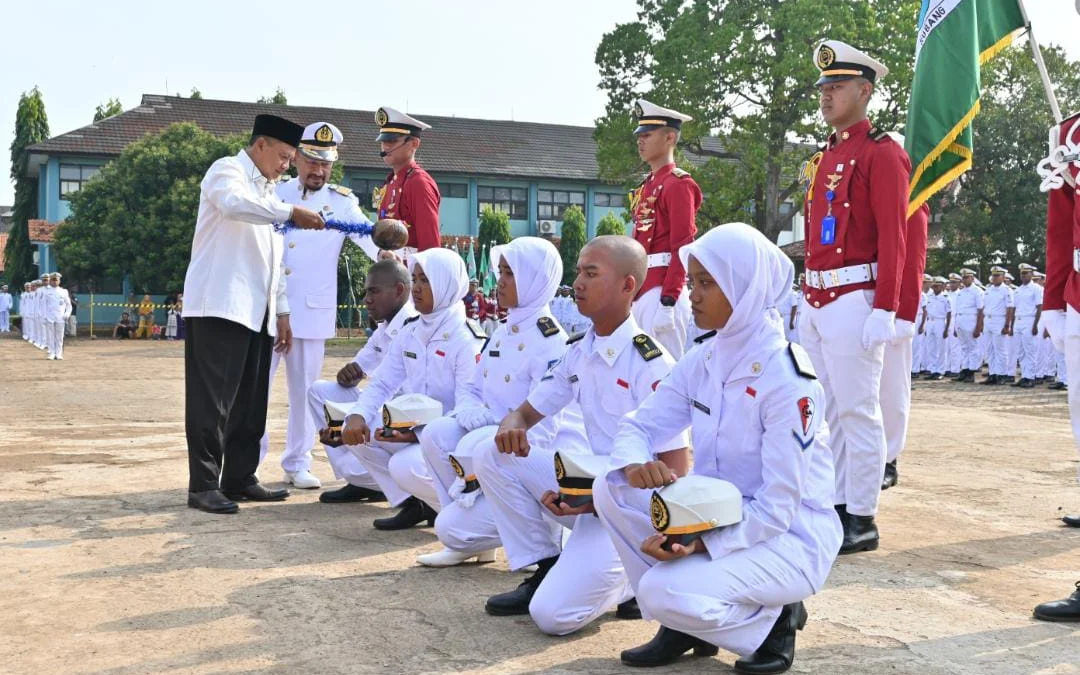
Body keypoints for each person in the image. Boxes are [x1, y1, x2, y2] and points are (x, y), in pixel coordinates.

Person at [594, 223, 841, 673]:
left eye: (707, 283)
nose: (693, 294)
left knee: (660, 591)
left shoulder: (786, 381)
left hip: (788, 536)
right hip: (718, 514)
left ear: (744, 289)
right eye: (693, 282)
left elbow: (779, 506)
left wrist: (701, 540)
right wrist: (634, 461)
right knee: (609, 488)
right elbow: (640, 423)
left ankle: (776, 622)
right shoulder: (704, 359)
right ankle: (684, 625)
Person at [479, 235, 689, 635]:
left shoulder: (652, 364)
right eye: (578, 272)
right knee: (494, 452)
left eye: (591, 274)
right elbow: (524, 412)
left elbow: (676, 472)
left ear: (629, 286)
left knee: (552, 617)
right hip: (590, 492)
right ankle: (545, 564)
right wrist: (512, 426)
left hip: (632, 514)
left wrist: (596, 500)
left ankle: (631, 578)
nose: (577, 283)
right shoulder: (579, 350)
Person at [181, 113, 325, 515]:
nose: (285, 165)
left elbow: (275, 261)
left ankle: (240, 477)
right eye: (282, 155)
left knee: (250, 402)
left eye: (290, 158)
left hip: (257, 314)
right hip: (219, 305)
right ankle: (204, 484)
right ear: (260, 145)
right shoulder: (227, 172)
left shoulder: (271, 193)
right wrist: (291, 213)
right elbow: (233, 206)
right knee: (213, 403)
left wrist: (282, 312)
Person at [798, 40, 908, 554]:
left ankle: (861, 516)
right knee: (827, 409)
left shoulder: (881, 152)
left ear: (865, 91)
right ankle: (838, 501)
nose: (826, 94)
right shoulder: (826, 156)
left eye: (837, 85)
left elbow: (895, 235)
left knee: (859, 411)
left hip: (855, 297)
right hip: (817, 299)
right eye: (823, 86)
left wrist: (887, 306)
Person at [417, 237, 579, 568]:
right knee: (436, 433)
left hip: (526, 456)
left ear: (534, 279)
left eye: (509, 273)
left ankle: (539, 543)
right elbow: (472, 388)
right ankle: (471, 517)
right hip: (490, 442)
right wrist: (469, 413)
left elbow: (544, 429)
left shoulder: (551, 341)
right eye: (500, 271)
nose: (499, 281)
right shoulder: (503, 331)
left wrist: (489, 429)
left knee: (452, 527)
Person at [258, 121, 382, 490]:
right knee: (255, 393)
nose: (318, 170)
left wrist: (392, 253)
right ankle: (248, 463)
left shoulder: (341, 203)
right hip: (268, 310)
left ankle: (297, 463)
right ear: (296, 158)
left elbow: (370, 239)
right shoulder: (274, 192)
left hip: (310, 314)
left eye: (326, 163)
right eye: (312, 160)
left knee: (304, 393)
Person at [340, 248, 484, 529]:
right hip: (414, 430)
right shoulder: (411, 330)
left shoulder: (467, 339)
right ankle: (416, 504)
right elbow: (382, 382)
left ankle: (467, 518)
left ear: (446, 284)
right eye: (415, 279)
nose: (416, 288)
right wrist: (356, 415)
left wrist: (414, 434)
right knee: (357, 427)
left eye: (425, 281)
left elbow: (470, 408)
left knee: (404, 465)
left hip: (452, 439)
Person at [308, 259, 415, 503]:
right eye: (366, 292)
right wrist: (347, 376)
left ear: (399, 291)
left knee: (362, 419)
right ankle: (360, 479)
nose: (367, 299)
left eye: (374, 291)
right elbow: (356, 372)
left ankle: (375, 480)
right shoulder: (384, 329)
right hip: (383, 410)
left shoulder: (412, 327)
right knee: (319, 392)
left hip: (406, 419)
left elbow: (398, 392)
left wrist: (357, 416)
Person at [629, 99, 700, 359]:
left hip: (662, 289)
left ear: (670, 137)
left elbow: (683, 245)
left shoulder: (678, 184)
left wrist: (669, 298)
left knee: (665, 369)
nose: (640, 141)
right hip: (642, 286)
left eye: (647, 135)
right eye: (639, 136)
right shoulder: (648, 185)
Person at [879, 200, 929, 490]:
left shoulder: (910, 196)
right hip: (849, 299)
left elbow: (913, 260)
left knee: (890, 386)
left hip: (890, 308)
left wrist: (903, 313)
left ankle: (888, 457)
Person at [373, 106, 441, 260]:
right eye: (383, 141)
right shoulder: (390, 182)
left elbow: (430, 245)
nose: (386, 146)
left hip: (411, 275)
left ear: (414, 144)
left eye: (392, 141)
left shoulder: (419, 183)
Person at [981, 266, 1015, 385]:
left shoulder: (1007, 290)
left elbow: (1010, 308)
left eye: (997, 275)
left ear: (1003, 277)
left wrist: (1007, 325)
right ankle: (993, 373)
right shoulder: (988, 289)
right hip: (988, 320)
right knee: (989, 349)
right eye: (993, 275)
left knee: (1000, 350)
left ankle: (1002, 374)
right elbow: (983, 307)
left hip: (999, 320)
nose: (994, 278)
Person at [1012, 263, 1044, 388]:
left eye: (1026, 273)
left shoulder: (1036, 288)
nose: (1023, 275)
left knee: (1030, 350)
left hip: (1030, 320)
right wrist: (1013, 325)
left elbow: (1039, 307)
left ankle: (1030, 377)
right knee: (1021, 351)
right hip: (1018, 321)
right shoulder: (1018, 290)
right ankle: (1025, 376)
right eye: (1022, 273)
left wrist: (1035, 325)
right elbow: (1015, 308)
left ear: (1031, 274)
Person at [951, 269, 985, 382]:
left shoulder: (977, 291)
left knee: (973, 347)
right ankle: (965, 369)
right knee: (964, 347)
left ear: (972, 278)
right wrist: (956, 326)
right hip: (961, 320)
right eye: (963, 278)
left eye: (967, 277)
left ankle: (972, 371)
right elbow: (957, 310)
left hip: (971, 320)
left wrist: (978, 327)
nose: (964, 280)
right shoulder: (961, 292)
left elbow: (981, 310)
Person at [43, 273, 72, 360]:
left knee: (59, 337)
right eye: (53, 280)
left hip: (60, 317)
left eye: (56, 280)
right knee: (50, 336)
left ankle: (59, 353)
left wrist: (67, 314)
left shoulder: (63, 292)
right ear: (50, 281)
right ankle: (52, 353)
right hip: (49, 317)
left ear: (59, 281)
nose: (55, 282)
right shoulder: (46, 292)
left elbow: (69, 305)